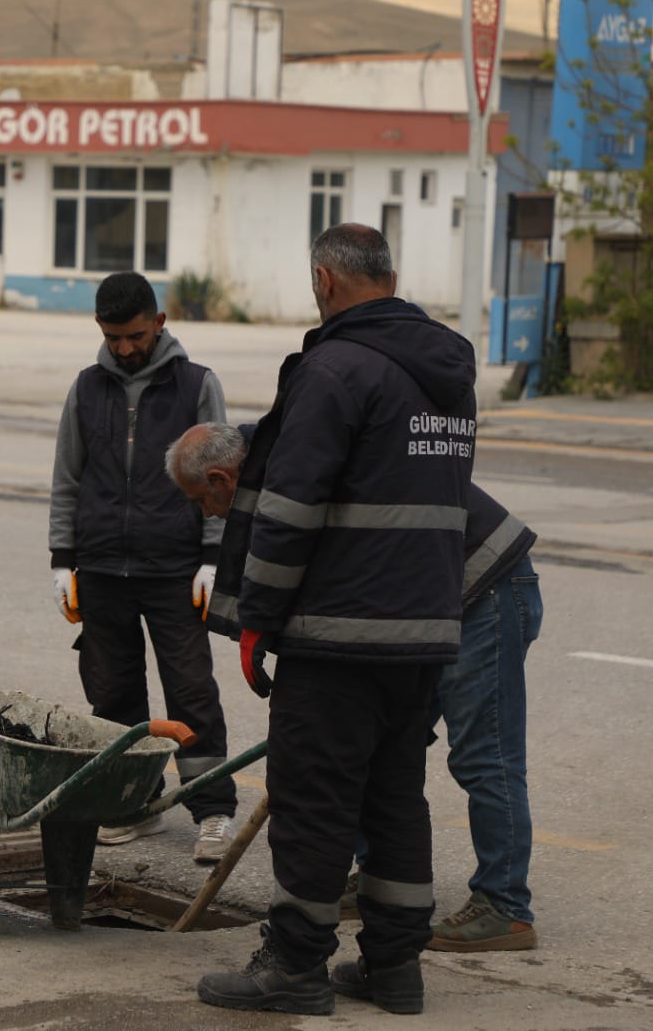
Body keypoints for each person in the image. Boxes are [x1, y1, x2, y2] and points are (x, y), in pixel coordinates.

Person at [192, 224, 477, 1016]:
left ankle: (294, 966)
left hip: (338, 634)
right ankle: (394, 968)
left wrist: (256, 620)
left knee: (314, 799)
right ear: (392, 274)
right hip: (421, 633)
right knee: (394, 798)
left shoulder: (335, 368)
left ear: (324, 280)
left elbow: (287, 510)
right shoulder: (448, 371)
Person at [169, 422, 544, 953]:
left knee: (486, 757)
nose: (207, 514)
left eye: (202, 501)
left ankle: (505, 907)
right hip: (424, 600)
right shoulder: (283, 462)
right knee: (380, 744)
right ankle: (375, 878)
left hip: (482, 589)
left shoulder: (295, 468)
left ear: (221, 478)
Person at [49, 270, 239, 865]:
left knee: (191, 693)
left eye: (135, 335)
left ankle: (212, 811)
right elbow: (67, 481)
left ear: (159, 323)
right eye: (113, 337)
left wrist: (213, 557)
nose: (125, 348)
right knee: (111, 694)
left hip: (174, 568)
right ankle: (130, 803)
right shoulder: (85, 389)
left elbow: (220, 474)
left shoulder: (196, 385)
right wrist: (63, 560)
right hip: (103, 567)